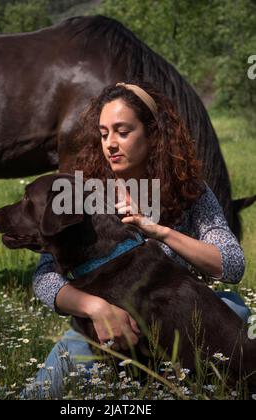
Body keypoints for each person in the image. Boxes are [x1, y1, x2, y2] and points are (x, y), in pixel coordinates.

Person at [30, 81, 250, 398]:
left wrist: (159, 230)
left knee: (235, 311)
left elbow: (231, 264)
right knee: (65, 361)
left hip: (176, 321)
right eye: (104, 133)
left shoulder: (188, 190)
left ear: (152, 133)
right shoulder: (83, 193)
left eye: (122, 131)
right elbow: (44, 276)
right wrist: (95, 307)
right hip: (109, 326)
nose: (110, 144)